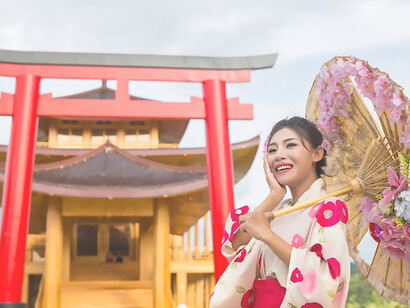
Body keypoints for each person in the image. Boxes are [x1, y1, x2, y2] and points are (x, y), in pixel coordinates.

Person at [209, 117, 350, 308]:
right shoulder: (277, 211)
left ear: (317, 153)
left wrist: (267, 235)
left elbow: (326, 278)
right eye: (272, 150)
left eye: (290, 145)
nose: (279, 155)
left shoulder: (329, 208)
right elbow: (234, 246)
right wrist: (274, 196)